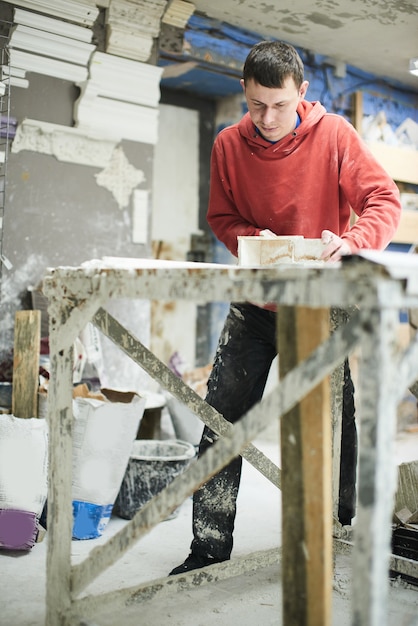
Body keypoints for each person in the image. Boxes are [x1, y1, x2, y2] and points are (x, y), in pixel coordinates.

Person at [169, 40, 401, 575]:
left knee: (333, 428)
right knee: (220, 417)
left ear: (302, 92)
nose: (268, 118)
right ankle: (207, 548)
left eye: (279, 104)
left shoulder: (335, 135)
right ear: (244, 95)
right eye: (256, 106)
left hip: (318, 308)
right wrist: (257, 240)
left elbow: (382, 201)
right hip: (255, 306)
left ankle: (339, 540)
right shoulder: (228, 144)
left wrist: (353, 240)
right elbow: (222, 217)